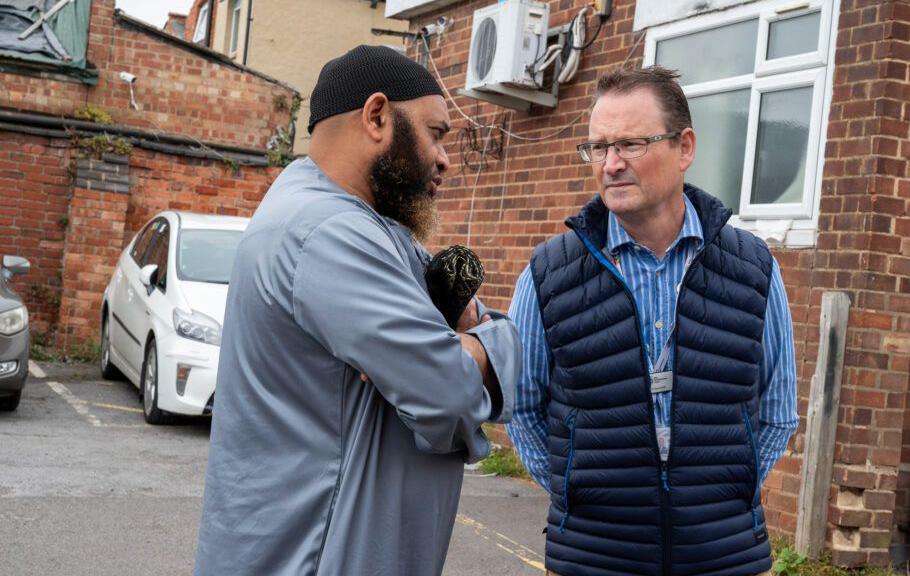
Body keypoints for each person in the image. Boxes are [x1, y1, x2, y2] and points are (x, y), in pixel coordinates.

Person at [194, 45, 520, 576]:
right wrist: (481, 347)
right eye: (436, 133)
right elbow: (451, 394)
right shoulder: (328, 233)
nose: (445, 158)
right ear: (376, 116)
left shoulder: (363, 227)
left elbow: (493, 367)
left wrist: (460, 350)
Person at [507, 66, 799, 576]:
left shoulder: (754, 268)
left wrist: (723, 497)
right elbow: (522, 409)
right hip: (593, 558)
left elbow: (778, 413)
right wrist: (576, 491)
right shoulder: (548, 273)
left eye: (631, 144)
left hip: (724, 557)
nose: (611, 164)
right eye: (598, 147)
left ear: (684, 147)